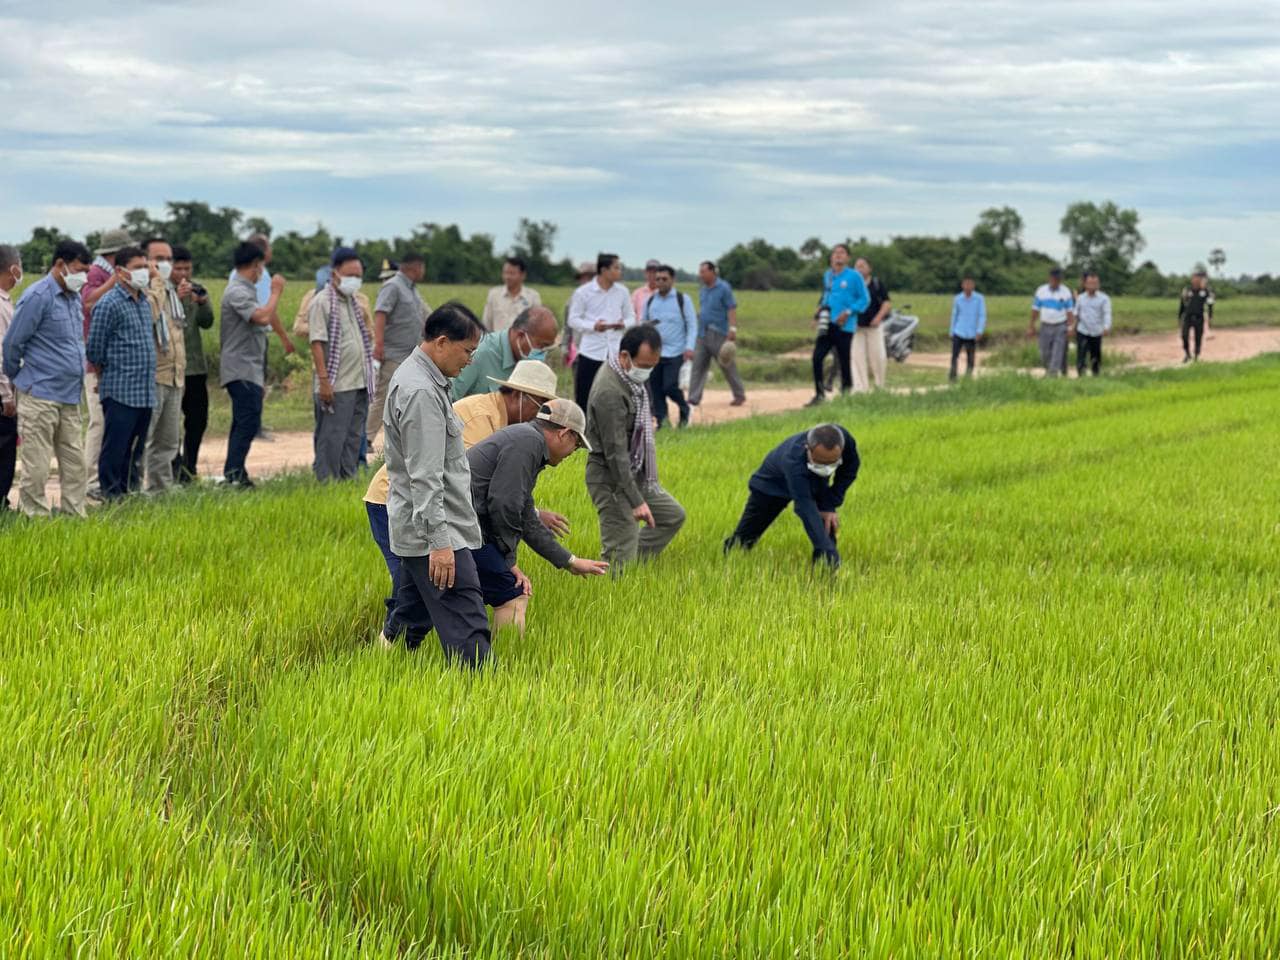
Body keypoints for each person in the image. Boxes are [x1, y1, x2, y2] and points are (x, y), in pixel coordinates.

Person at [363, 358, 563, 638]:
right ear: (519, 395)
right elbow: (461, 489)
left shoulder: (510, 428)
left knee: (421, 592)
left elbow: (493, 490)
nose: (539, 418)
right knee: (417, 590)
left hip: (430, 503)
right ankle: (389, 660)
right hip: (395, 500)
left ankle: (395, 654)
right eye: (539, 406)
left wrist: (532, 515)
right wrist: (505, 562)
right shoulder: (480, 421)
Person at [381, 302, 492, 667]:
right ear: (442, 342)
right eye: (467, 351)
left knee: (411, 614)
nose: (470, 361)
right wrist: (441, 544)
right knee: (467, 620)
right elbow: (425, 477)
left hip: (424, 530)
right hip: (435, 534)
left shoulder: (425, 379)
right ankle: (482, 695)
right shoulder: (421, 392)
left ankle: (382, 667)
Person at [466, 399, 610, 636]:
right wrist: (508, 561)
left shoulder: (526, 441)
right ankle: (508, 664)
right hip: (459, 528)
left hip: (458, 526)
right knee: (513, 594)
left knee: (419, 603)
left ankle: (388, 649)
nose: (573, 453)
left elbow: (524, 516)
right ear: (564, 433)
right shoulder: (528, 443)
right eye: (576, 445)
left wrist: (569, 561)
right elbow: (505, 504)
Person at [2, 239, 92, 516]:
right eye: (79, 269)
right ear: (60, 265)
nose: (83, 276)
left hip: (69, 394)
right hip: (39, 393)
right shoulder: (37, 296)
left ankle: (74, 515)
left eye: (86, 271)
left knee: (75, 463)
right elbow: (12, 345)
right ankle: (36, 519)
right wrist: (21, 379)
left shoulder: (73, 297)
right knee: (37, 466)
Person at [585, 324, 686, 569]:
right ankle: (617, 582)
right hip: (611, 478)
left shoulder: (628, 379)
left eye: (653, 366)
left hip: (635, 472)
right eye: (644, 366)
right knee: (619, 553)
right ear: (624, 357)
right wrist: (636, 501)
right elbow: (615, 454)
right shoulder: (609, 391)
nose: (648, 372)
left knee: (672, 516)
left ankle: (633, 565)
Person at [724, 423, 860, 569]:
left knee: (826, 522)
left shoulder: (844, 439)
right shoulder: (793, 461)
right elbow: (805, 506)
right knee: (744, 540)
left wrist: (829, 503)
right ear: (807, 449)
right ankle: (729, 563)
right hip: (772, 486)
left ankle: (824, 572)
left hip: (816, 481)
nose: (827, 469)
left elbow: (850, 469)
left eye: (832, 463)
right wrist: (827, 549)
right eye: (820, 463)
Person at [86, 246, 156, 499]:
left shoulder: (144, 302)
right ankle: (110, 493)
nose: (144, 272)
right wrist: (106, 374)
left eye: (145, 267)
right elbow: (94, 349)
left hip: (145, 390)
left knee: (135, 449)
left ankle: (128, 491)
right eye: (137, 267)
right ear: (120, 271)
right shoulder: (109, 303)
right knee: (115, 446)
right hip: (121, 389)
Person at [220, 241, 286, 487]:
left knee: (244, 421)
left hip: (249, 367)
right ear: (256, 265)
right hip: (240, 368)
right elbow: (261, 317)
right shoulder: (237, 290)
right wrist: (276, 292)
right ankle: (234, 474)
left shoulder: (245, 289)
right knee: (247, 421)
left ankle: (235, 472)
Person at [308, 247, 375, 481]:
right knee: (331, 436)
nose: (354, 280)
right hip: (337, 383)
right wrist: (324, 381)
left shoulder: (354, 302)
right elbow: (316, 342)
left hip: (358, 381)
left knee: (353, 435)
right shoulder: (322, 302)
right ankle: (326, 481)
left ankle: (349, 478)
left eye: (358, 276)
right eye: (350, 275)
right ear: (335, 272)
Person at [80, 227, 133, 496]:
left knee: (111, 425)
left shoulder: (107, 273)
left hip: (114, 367)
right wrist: (115, 281)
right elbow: (87, 302)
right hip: (96, 366)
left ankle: (106, 480)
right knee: (99, 423)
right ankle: (91, 482)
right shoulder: (97, 275)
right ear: (115, 256)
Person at [228, 234, 294, 440]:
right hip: (253, 338)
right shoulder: (261, 274)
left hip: (240, 339)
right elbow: (267, 311)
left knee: (249, 390)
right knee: (256, 386)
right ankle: (253, 427)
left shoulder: (236, 273)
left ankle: (250, 426)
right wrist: (284, 336)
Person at [367, 252, 429, 445]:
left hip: (409, 354)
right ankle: (366, 438)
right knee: (384, 395)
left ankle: (401, 437)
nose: (423, 272)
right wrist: (378, 344)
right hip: (393, 353)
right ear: (415, 267)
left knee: (406, 396)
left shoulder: (411, 289)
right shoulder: (393, 286)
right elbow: (380, 313)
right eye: (422, 267)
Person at [141, 238, 187, 492]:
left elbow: (178, 334)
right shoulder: (147, 291)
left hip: (174, 376)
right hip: (153, 375)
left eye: (169, 259)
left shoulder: (171, 292)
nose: (165, 265)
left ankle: (160, 490)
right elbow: (150, 317)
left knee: (168, 441)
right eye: (159, 259)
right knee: (144, 439)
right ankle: (133, 489)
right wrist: (156, 282)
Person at [568, 253, 635, 410]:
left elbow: (632, 317)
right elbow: (573, 320)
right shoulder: (583, 292)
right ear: (604, 270)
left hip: (615, 353)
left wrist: (622, 324)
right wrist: (593, 326)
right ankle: (581, 431)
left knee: (615, 394)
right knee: (584, 395)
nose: (620, 271)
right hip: (591, 351)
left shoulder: (622, 292)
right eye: (616, 267)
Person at [450, 306, 559, 401]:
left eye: (547, 348)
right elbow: (450, 400)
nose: (542, 352)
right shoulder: (480, 353)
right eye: (541, 345)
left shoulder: (530, 363)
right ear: (520, 336)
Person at [170, 246, 213, 483]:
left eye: (187, 268)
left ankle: (190, 465)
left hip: (195, 366)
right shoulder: (164, 291)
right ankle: (173, 465)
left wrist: (203, 302)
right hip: (173, 367)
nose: (183, 273)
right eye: (178, 268)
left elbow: (207, 323)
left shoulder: (196, 288)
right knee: (170, 422)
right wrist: (176, 297)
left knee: (198, 418)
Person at [808, 244, 868, 405]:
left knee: (843, 360)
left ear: (848, 258)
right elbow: (825, 296)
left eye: (841, 253)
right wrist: (817, 314)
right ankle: (819, 394)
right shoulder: (828, 275)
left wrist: (849, 312)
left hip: (844, 325)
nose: (838, 256)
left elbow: (864, 299)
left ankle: (846, 395)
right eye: (835, 253)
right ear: (831, 257)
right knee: (817, 357)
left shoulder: (854, 276)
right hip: (827, 323)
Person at [641, 264, 697, 428]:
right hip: (654, 353)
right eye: (658, 279)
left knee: (670, 386)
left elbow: (692, 324)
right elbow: (642, 323)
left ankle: (685, 409)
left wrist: (689, 347)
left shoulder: (682, 299)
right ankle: (662, 421)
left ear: (672, 280)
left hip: (676, 352)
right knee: (656, 389)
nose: (660, 282)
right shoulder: (650, 301)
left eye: (664, 279)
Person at [688, 260, 746, 408]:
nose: (700, 275)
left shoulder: (724, 288)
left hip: (719, 331)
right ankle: (694, 398)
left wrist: (732, 329)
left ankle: (739, 395)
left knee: (726, 364)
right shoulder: (703, 289)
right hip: (702, 332)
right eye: (700, 272)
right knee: (698, 365)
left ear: (712, 272)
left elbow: (731, 308)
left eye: (703, 272)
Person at [851, 257, 891, 392]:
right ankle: (861, 389)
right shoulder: (852, 285)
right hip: (856, 328)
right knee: (857, 359)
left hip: (874, 327)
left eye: (862, 266)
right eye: (856, 266)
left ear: (869, 268)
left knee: (878, 356)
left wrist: (879, 317)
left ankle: (880, 386)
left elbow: (886, 303)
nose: (859, 269)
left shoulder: (876, 283)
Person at [0, 245, 21, 509]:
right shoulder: (1, 305)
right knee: (4, 454)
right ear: (13, 268)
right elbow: (1, 354)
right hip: (1, 393)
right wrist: (6, 395)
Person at [1029, 267, 1075, 376]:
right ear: (1050, 278)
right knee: (1044, 352)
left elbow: (1070, 312)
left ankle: (1052, 375)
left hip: (1060, 326)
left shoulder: (1066, 291)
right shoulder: (1041, 291)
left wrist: (1070, 328)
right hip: (1045, 325)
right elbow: (1035, 309)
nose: (1056, 282)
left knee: (1057, 352)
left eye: (1058, 279)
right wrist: (1031, 325)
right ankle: (1049, 370)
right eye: (1054, 279)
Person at [481, 255, 542, 333]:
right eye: (505, 273)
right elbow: (486, 324)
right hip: (498, 343)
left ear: (523, 275)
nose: (507, 277)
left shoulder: (533, 297)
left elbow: (536, 326)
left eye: (512, 273)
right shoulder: (494, 294)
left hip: (523, 344)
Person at [1074, 271, 1112, 376]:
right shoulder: (1081, 298)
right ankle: (1081, 375)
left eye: (1095, 283)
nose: (1092, 286)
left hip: (1096, 331)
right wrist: (1072, 328)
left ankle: (1096, 374)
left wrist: (1106, 327)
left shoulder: (1104, 298)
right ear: (1085, 284)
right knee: (1081, 354)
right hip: (1082, 330)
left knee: (1095, 355)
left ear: (1098, 284)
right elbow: (1076, 314)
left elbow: (1107, 314)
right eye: (1090, 283)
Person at [949, 275, 986, 380]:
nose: (968, 286)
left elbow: (982, 315)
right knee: (954, 356)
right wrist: (951, 331)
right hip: (959, 330)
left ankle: (968, 377)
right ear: (962, 285)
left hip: (972, 333)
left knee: (970, 357)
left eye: (970, 284)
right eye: (966, 284)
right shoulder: (958, 299)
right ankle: (952, 377)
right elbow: (954, 315)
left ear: (973, 285)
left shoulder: (979, 299)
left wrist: (980, 330)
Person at [1178, 270, 1214, 363]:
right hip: (1188, 316)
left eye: (1197, 278)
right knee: (1184, 335)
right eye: (1194, 278)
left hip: (1199, 317)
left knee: (1198, 337)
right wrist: (1179, 316)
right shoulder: (1187, 290)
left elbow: (1210, 304)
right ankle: (1187, 354)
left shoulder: (1205, 291)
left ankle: (1196, 356)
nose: (1195, 280)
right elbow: (1182, 303)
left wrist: (1210, 316)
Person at [564, 260, 594, 369]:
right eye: (583, 277)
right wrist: (565, 348)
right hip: (577, 351)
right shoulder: (572, 301)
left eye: (590, 277)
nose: (586, 281)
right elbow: (567, 328)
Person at [631, 259, 660, 325]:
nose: (652, 275)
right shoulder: (637, 293)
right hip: (641, 332)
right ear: (645, 273)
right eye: (650, 272)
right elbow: (631, 315)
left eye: (655, 272)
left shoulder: (665, 293)